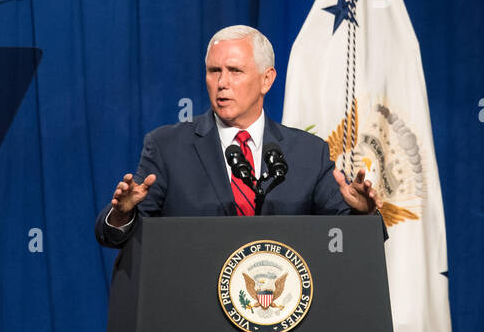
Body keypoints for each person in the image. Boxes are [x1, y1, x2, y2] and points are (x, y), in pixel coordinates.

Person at [94, 25, 381, 260]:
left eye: (235, 71)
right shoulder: (167, 146)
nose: (222, 83)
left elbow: (345, 241)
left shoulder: (308, 152)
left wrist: (364, 213)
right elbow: (120, 236)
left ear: (266, 80)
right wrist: (122, 213)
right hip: (192, 311)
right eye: (214, 71)